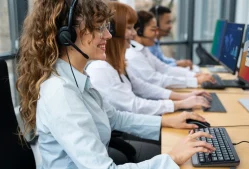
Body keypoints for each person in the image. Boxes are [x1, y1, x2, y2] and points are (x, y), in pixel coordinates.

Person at [16, 0, 215, 168]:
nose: (108, 35)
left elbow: (115, 117)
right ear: (68, 34)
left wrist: (166, 121)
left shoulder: (77, 77)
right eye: (99, 28)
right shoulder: (61, 92)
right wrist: (171, 159)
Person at [86, 2, 211, 116]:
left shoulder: (115, 64)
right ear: (113, 32)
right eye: (129, 28)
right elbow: (133, 105)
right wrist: (179, 104)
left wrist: (184, 97)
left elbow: (142, 86)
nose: (134, 33)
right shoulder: (101, 69)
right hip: (126, 132)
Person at [125, 10, 215, 89]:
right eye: (153, 30)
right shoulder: (134, 55)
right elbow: (156, 79)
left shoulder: (143, 50)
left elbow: (165, 69)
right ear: (139, 31)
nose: (157, 33)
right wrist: (194, 80)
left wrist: (194, 75)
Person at [148, 5, 194, 70]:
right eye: (168, 22)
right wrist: (177, 64)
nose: (171, 26)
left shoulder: (155, 42)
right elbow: (158, 69)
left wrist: (177, 62)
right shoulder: (149, 46)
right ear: (156, 24)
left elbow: (162, 60)